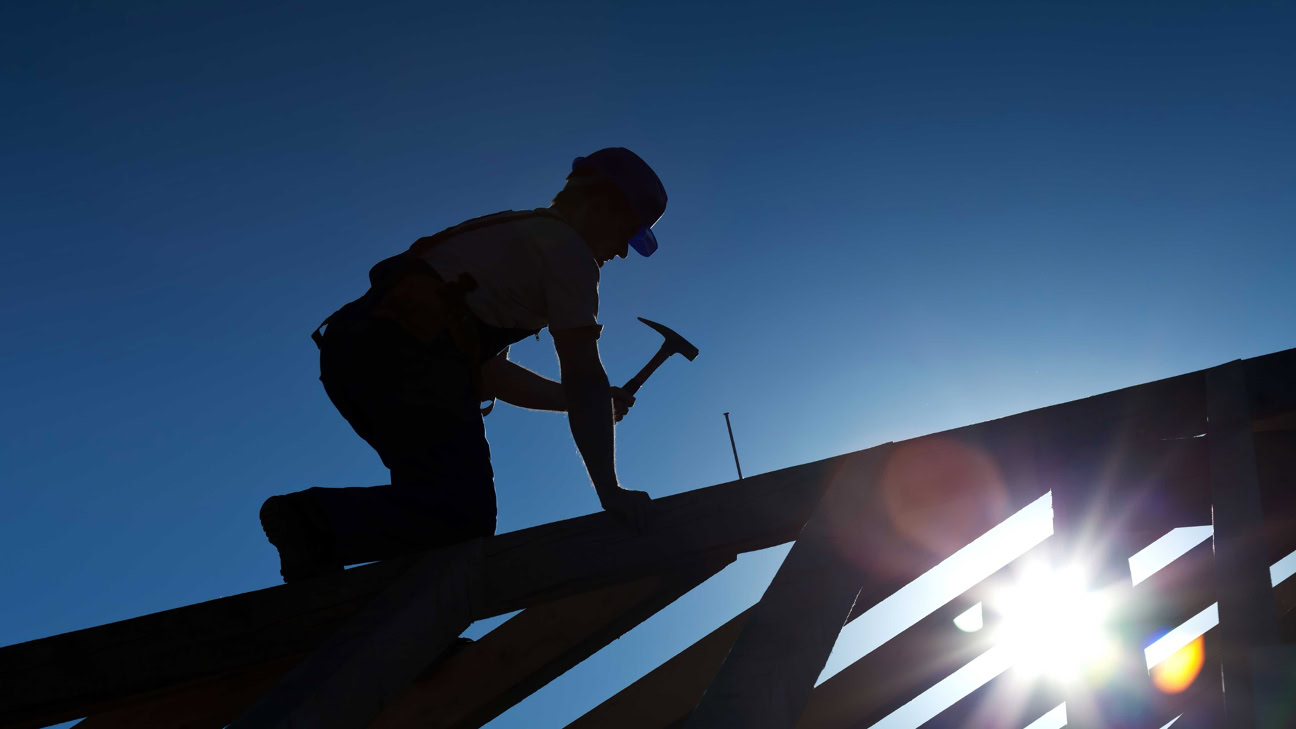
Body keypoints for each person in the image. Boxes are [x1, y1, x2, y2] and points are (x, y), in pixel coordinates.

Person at [260, 147, 667, 582]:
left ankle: (322, 565)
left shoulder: (514, 241)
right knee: (460, 515)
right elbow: (584, 373)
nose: (623, 252)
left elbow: (491, 374)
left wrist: (585, 404)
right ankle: (310, 522)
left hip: (356, 354)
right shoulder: (568, 252)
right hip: (406, 358)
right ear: (603, 205)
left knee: (440, 510)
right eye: (628, 232)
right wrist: (610, 490)